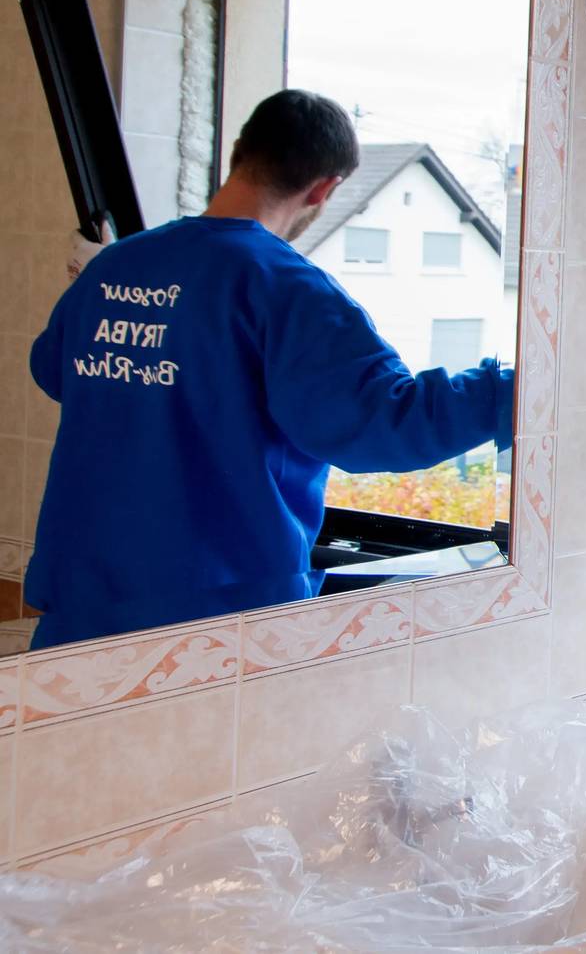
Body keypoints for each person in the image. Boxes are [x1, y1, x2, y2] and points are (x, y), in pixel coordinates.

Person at [25, 89, 515, 649]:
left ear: (239, 151)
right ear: (325, 187)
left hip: (80, 606)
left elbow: (53, 369)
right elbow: (384, 424)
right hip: (213, 617)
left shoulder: (114, 264)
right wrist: (512, 390)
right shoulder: (287, 289)